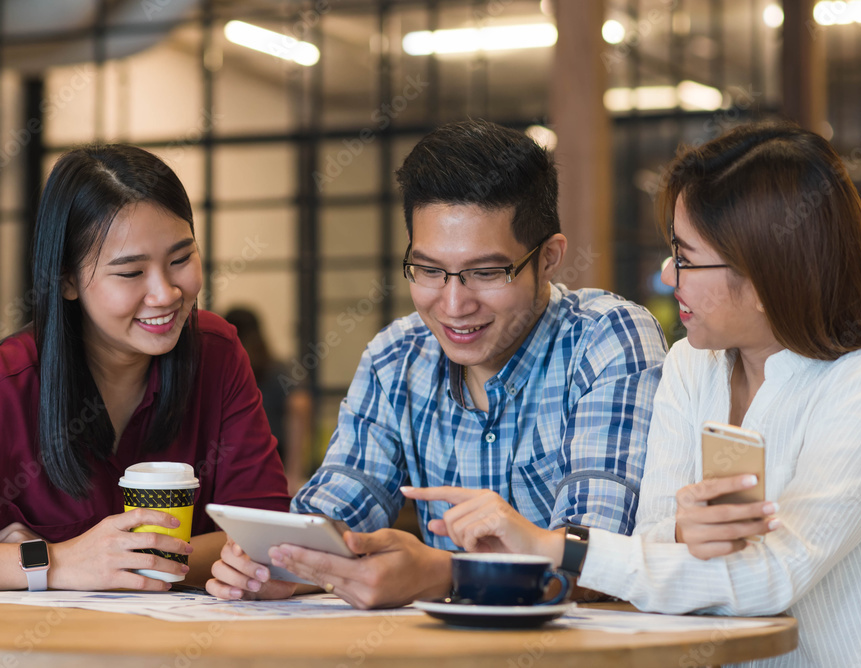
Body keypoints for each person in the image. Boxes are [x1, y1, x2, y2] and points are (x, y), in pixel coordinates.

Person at [407, 122, 861, 667]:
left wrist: (552, 547)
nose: (666, 274)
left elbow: (770, 578)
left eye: (686, 258)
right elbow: (649, 536)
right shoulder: (691, 366)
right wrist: (680, 531)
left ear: (767, 274)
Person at [206, 119, 669, 608]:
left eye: (486, 272)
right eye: (428, 270)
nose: (452, 304)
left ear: (550, 258)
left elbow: (597, 559)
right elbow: (340, 503)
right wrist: (283, 563)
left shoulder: (606, 339)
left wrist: (445, 575)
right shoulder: (395, 357)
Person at [0, 145, 290, 591]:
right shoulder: (0, 388)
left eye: (180, 259)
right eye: (130, 272)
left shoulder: (216, 354)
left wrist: (120, 565)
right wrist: (51, 563)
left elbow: (269, 538)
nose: (165, 293)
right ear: (66, 280)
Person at [224, 307, 313, 493]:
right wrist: (293, 472)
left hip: (233, 459)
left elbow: (300, 405)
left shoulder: (226, 367)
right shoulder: (277, 367)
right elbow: (301, 406)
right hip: (272, 459)